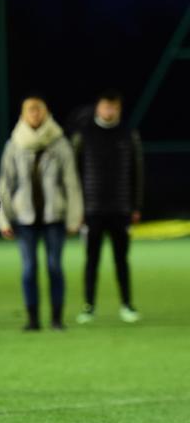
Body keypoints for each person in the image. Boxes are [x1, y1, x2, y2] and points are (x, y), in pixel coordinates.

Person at [0, 95, 83, 330]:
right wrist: (3, 217)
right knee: (28, 269)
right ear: (23, 115)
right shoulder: (14, 144)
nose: (35, 114)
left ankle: (57, 318)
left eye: (38, 110)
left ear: (46, 113)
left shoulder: (60, 143)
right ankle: (32, 319)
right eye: (30, 111)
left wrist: (75, 217)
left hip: (54, 216)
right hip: (24, 216)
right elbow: (5, 184)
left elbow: (71, 183)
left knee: (55, 267)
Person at [71, 89, 144, 324]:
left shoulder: (128, 134)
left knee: (121, 260)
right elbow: (74, 174)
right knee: (91, 260)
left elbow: (138, 172)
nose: (110, 111)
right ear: (98, 108)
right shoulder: (84, 134)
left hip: (121, 210)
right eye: (106, 106)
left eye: (114, 107)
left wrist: (135, 206)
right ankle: (88, 306)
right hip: (91, 210)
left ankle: (127, 304)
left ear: (119, 109)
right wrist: (77, 208)